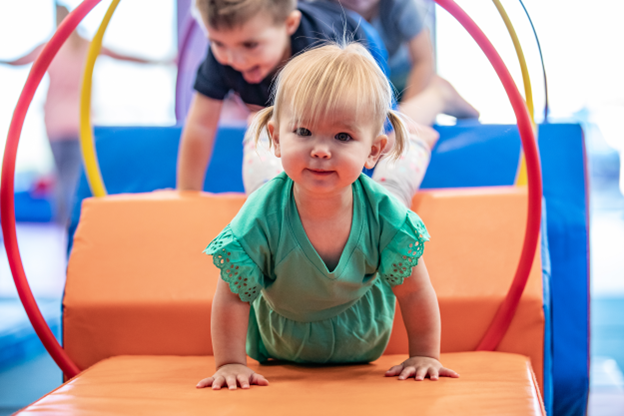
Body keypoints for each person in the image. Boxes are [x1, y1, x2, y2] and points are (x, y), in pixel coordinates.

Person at [196, 42, 458, 390]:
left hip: (361, 335)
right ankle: (255, 136)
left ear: (372, 150)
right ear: (278, 137)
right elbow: (232, 294)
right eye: (303, 132)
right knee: (262, 181)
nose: (320, 150)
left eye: (343, 136)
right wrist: (230, 363)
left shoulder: (383, 213)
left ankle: (416, 142)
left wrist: (426, 355)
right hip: (281, 343)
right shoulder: (263, 212)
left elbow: (414, 292)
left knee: (395, 186)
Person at [177, 0, 432, 208]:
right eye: (218, 43)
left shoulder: (319, 46)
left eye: (250, 45)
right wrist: (187, 195)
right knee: (266, 126)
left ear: (289, 24)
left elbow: (336, 131)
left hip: (358, 46)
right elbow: (200, 124)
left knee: (380, 133)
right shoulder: (223, 55)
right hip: (287, 100)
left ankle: (434, 102)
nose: (235, 58)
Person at [0, 4, 164, 225]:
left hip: (56, 123)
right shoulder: (87, 46)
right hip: (80, 124)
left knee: (62, 177)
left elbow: (17, 61)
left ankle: (65, 225)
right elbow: (123, 56)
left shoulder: (49, 48)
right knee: (76, 179)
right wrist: (159, 61)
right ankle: (74, 225)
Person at [328, 0, 480, 128]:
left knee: (403, 126)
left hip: (402, 79)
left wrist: (403, 115)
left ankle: (445, 96)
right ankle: (440, 95)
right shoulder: (320, 9)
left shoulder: (400, 4)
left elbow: (423, 61)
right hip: (364, 85)